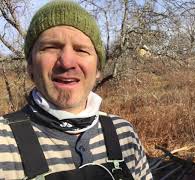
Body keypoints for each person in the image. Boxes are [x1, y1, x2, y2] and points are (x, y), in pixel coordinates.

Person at [0, 0, 153, 179]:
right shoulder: (4, 142)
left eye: (81, 50)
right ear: (30, 66)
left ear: (98, 70)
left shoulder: (123, 134)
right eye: (51, 47)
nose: (67, 62)